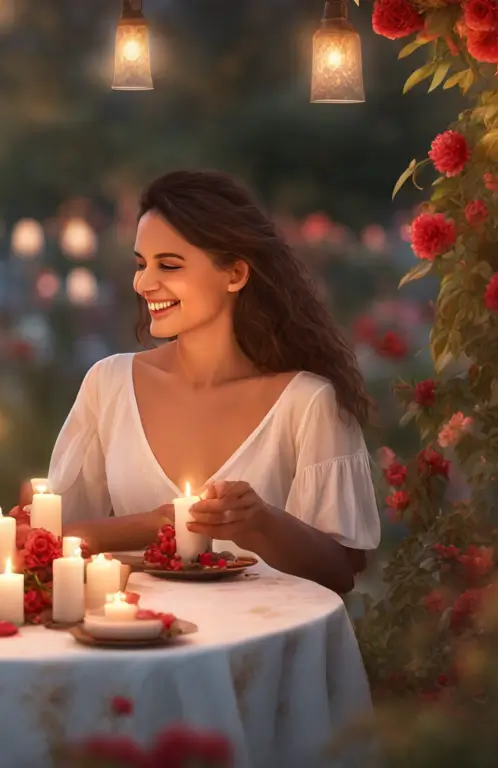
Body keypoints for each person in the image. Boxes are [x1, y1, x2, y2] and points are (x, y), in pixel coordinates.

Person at [40, 169, 380, 594]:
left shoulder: (307, 402)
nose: (144, 283)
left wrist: (260, 522)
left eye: (169, 264)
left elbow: (339, 573)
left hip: (258, 649)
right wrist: (156, 523)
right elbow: (52, 539)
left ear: (235, 275)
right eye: (141, 264)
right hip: (133, 638)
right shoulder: (108, 384)